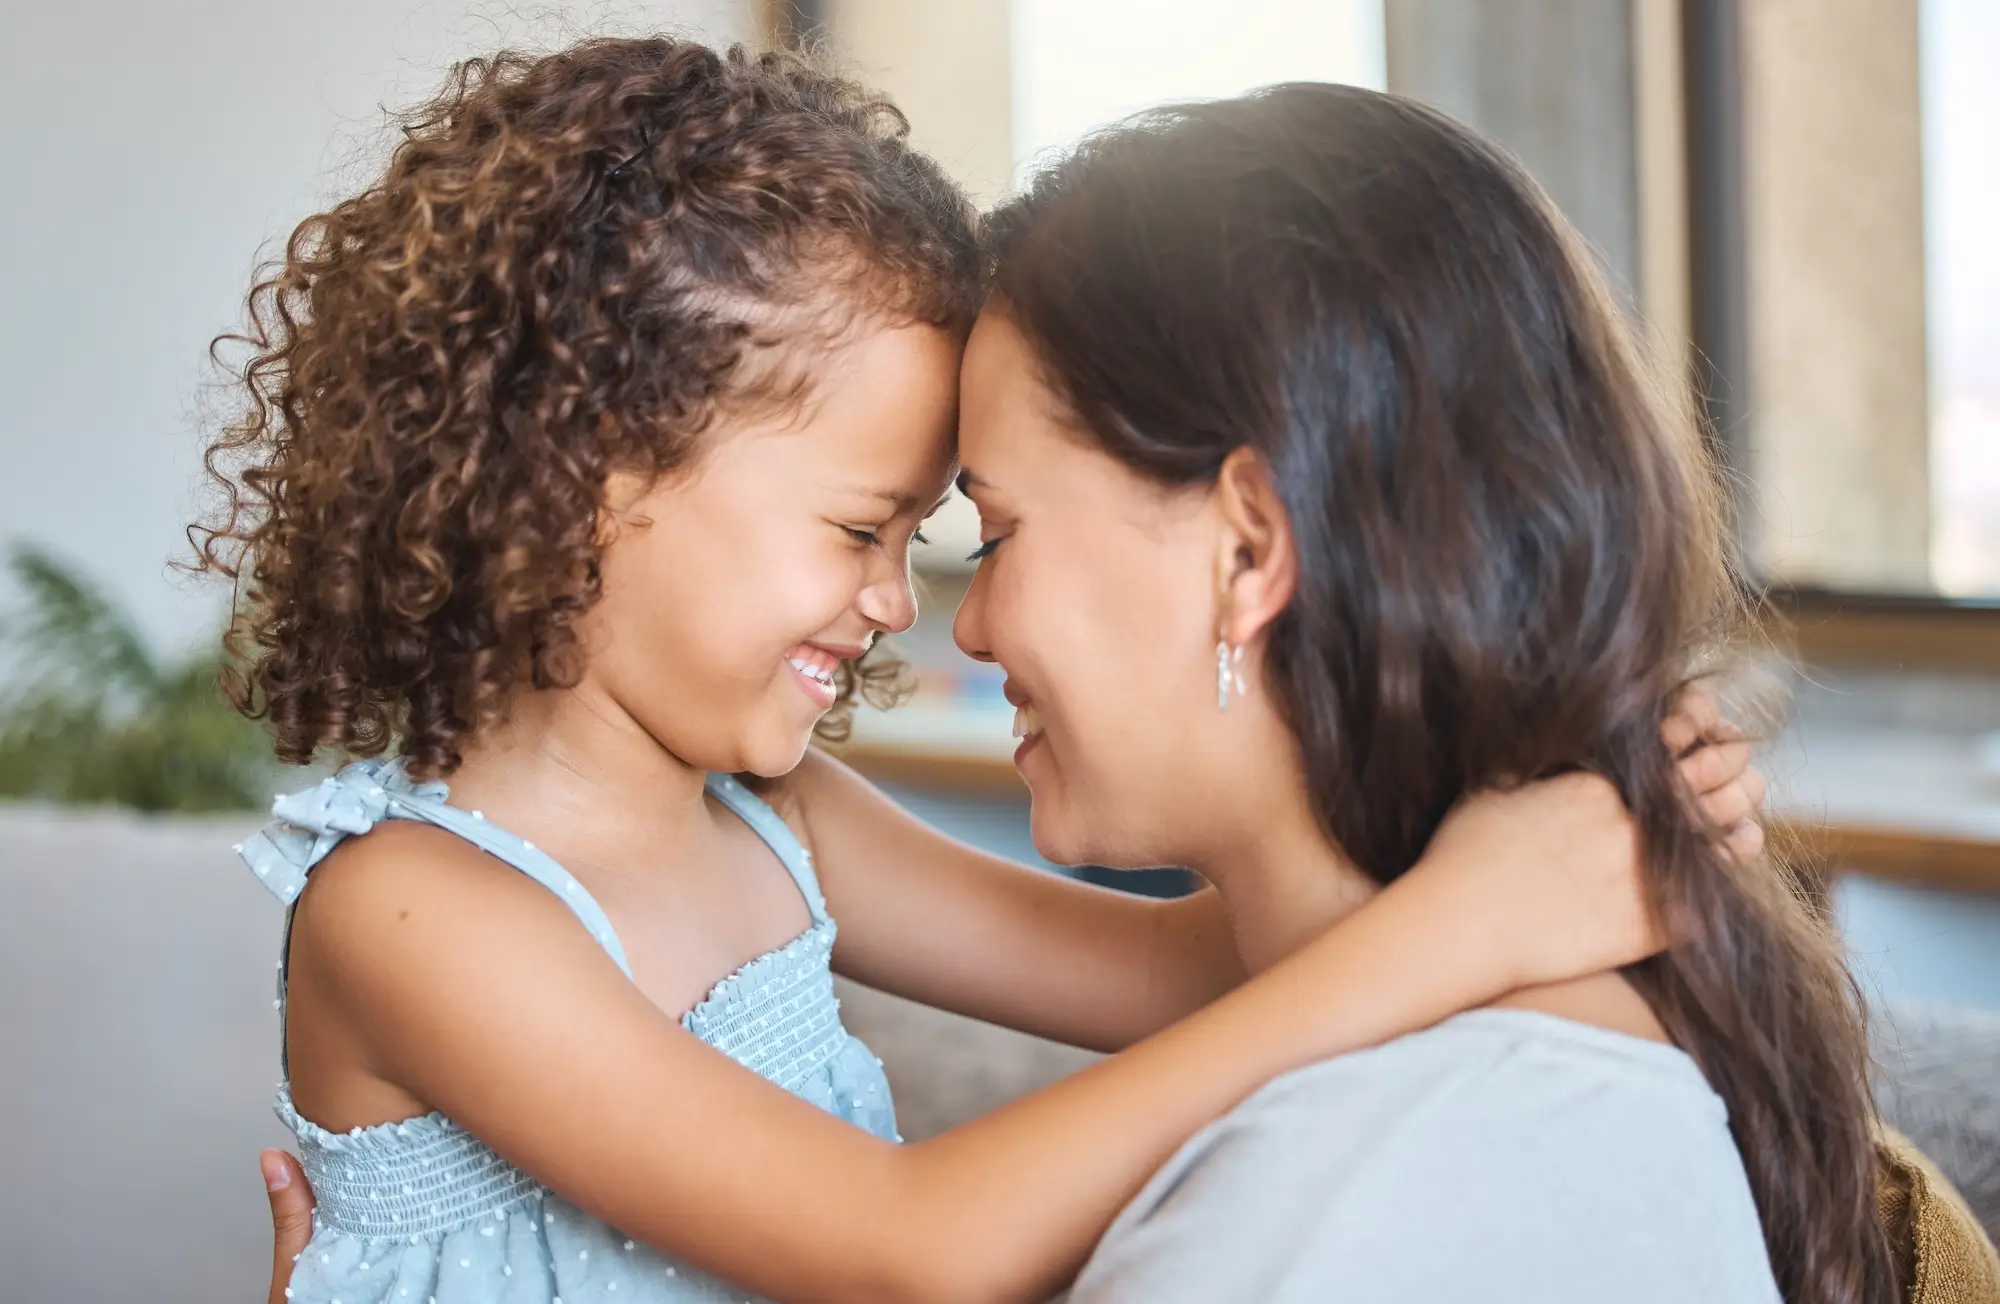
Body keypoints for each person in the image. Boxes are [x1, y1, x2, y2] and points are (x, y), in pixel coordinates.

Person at [215, 38, 1766, 1304]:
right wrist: (1472, 915)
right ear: (584, 482)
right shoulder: (416, 913)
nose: (901, 602)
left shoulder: (778, 820)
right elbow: (911, 1247)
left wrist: (1565, 804)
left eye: (931, 532)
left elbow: (1180, 973)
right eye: (857, 527)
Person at [946, 82, 1893, 1302]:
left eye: (993, 533)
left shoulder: (1337, 1210)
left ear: (1245, 548)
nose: (964, 626)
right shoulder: (1522, 1041)